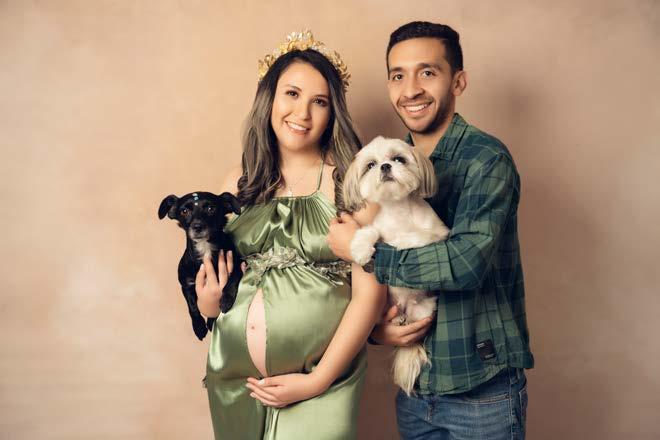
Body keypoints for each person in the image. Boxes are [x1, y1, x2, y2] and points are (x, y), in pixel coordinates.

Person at [327, 21, 534, 439]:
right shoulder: (386, 165)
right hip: (417, 391)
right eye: (397, 76)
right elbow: (372, 288)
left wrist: (366, 254)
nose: (411, 89)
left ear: (458, 81)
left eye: (427, 72)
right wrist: (377, 330)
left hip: (481, 389)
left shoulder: (486, 159)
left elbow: (465, 263)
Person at [195, 30, 386, 440]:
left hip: (321, 384)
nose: (303, 112)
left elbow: (370, 295)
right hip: (236, 381)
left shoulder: (351, 184)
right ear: (270, 99)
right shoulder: (238, 182)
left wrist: (317, 381)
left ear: (333, 112)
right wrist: (208, 303)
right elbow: (216, 290)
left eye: (320, 101)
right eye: (292, 94)